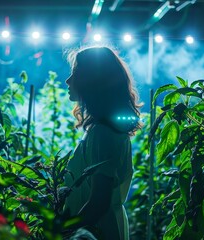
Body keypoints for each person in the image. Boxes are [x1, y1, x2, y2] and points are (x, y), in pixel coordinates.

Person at [63, 46, 142, 240]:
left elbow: (99, 202)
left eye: (74, 74)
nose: (67, 81)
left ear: (91, 82)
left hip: (93, 232)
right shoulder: (103, 130)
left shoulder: (102, 134)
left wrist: (63, 231)